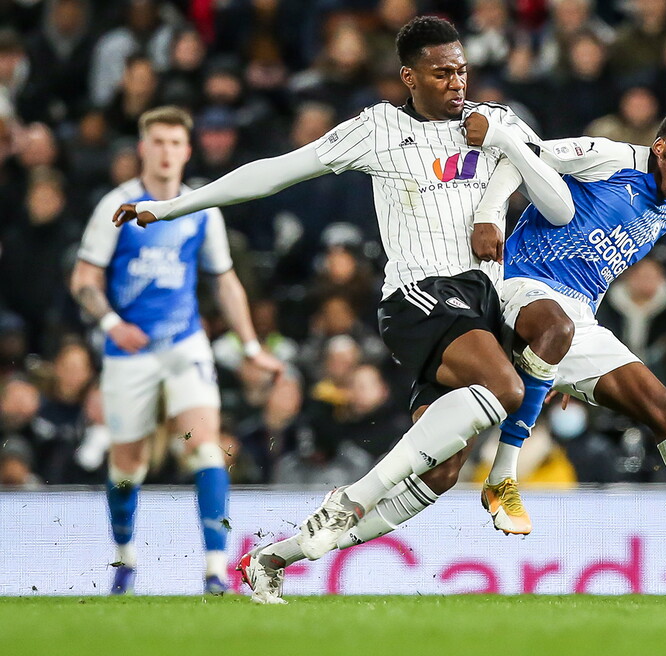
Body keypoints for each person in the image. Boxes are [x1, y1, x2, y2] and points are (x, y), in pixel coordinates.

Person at [113, 16, 573, 604]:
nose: (457, 82)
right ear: (409, 77)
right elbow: (276, 172)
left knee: (439, 474)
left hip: (480, 305)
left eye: (462, 70)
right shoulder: (378, 129)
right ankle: (352, 498)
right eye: (441, 73)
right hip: (420, 296)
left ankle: (272, 559)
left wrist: (506, 143)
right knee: (507, 389)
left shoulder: (497, 124)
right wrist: (175, 205)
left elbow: (557, 207)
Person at [315, 111, 666, 568]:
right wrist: (492, 212)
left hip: (574, 317)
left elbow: (595, 273)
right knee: (548, 335)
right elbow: (524, 158)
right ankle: (504, 475)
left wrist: (554, 365)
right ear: (660, 147)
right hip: (516, 285)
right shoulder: (606, 157)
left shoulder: (663, 213)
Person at [70, 106, 284, 595]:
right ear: (143, 149)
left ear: (187, 151)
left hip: (185, 343)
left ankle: (214, 570)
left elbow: (225, 281)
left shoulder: (201, 207)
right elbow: (84, 277)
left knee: (205, 446)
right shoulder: (118, 206)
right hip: (129, 351)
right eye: (157, 142)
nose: (166, 152)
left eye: (175, 143)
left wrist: (250, 346)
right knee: (127, 464)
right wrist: (111, 323)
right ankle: (124, 558)